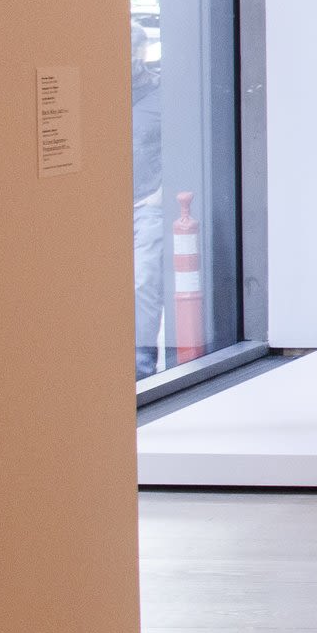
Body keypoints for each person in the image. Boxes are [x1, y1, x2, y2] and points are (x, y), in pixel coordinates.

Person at [131, 20, 166, 378]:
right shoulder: (100, 94)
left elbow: (180, 140)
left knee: (143, 282)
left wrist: (161, 195)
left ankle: (140, 368)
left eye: (131, 48)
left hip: (147, 205)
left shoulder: (159, 96)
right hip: (103, 208)